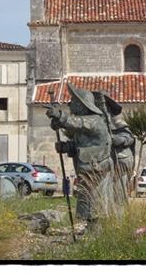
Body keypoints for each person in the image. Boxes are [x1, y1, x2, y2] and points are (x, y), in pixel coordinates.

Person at [47, 84, 114, 227]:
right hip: (89, 170)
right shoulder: (84, 127)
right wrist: (66, 147)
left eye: (73, 101)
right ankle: (91, 229)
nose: (70, 104)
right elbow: (80, 145)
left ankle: (97, 231)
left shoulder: (94, 120)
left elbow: (77, 123)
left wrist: (60, 116)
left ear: (82, 105)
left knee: (95, 203)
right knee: (87, 201)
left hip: (97, 169)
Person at [94, 91, 135, 215]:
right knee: (101, 195)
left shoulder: (118, 124)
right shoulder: (94, 125)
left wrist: (117, 140)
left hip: (119, 163)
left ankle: (119, 219)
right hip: (101, 166)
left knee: (119, 193)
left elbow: (129, 138)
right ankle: (104, 218)